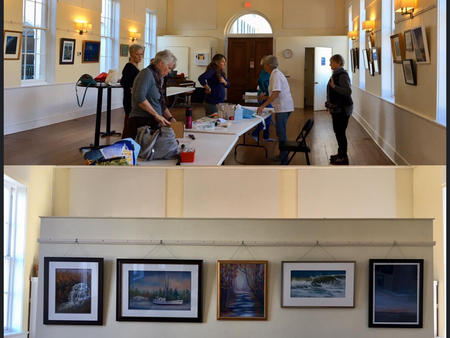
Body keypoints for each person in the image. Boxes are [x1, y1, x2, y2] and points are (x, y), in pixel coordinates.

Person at [127, 50, 178, 140]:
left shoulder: (157, 77)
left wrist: (170, 119)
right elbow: (139, 97)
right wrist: (156, 115)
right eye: (169, 68)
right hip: (141, 122)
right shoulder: (146, 73)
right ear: (161, 63)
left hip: (151, 122)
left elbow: (159, 102)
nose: (169, 71)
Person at [257, 55, 294, 164]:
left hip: (283, 107)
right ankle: (282, 156)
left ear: (268, 65)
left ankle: (284, 159)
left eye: (264, 65)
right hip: (283, 106)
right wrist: (264, 98)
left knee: (281, 132)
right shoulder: (275, 74)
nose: (264, 67)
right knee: (280, 132)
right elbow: (276, 93)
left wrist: (263, 105)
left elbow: (276, 92)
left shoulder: (276, 75)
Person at [326, 54, 353, 165]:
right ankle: (340, 154)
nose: (330, 64)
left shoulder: (342, 75)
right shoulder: (336, 74)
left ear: (338, 62)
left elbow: (348, 91)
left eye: (331, 62)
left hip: (343, 109)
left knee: (340, 132)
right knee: (338, 132)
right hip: (337, 108)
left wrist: (334, 87)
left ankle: (343, 157)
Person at [249, 56, 275, 142]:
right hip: (263, 95)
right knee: (268, 117)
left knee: (268, 116)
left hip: (265, 94)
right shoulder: (266, 71)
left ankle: (266, 136)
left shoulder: (268, 71)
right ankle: (255, 133)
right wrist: (264, 91)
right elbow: (260, 80)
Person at [120, 44, 144, 138]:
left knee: (132, 121)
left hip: (133, 98)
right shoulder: (129, 67)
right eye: (137, 54)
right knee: (129, 121)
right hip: (129, 98)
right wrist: (131, 89)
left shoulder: (135, 67)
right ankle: (125, 142)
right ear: (131, 54)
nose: (140, 56)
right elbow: (123, 82)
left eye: (141, 54)